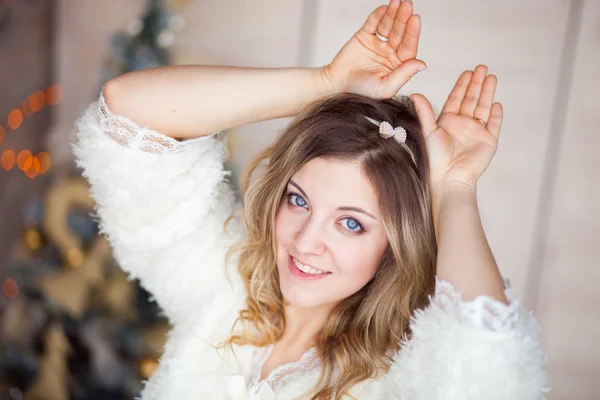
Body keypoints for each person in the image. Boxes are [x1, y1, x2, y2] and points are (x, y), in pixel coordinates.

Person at [73, 1, 548, 399]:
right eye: (299, 201)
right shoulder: (226, 287)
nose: (305, 242)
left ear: (396, 245)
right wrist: (324, 84)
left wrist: (455, 189)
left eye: (351, 224)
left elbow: (493, 365)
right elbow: (127, 113)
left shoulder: (397, 379)